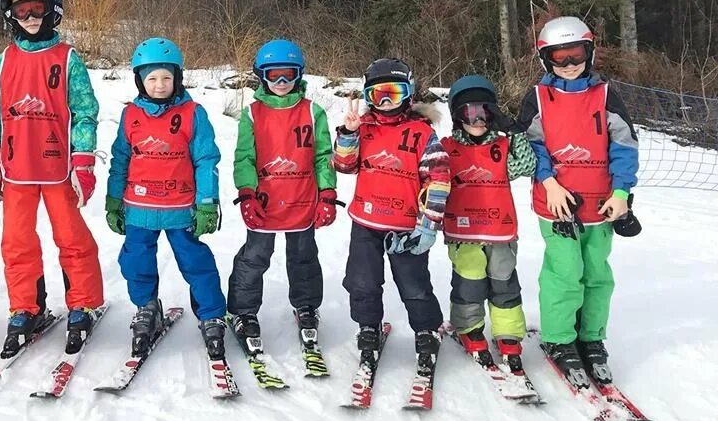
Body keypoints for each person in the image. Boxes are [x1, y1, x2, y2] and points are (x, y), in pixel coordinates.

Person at [0, 0, 104, 358]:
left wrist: (83, 164)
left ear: (53, 11)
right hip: (17, 171)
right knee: (16, 243)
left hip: (58, 172)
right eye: (22, 11)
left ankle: (82, 303)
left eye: (38, 8)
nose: (31, 17)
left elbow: (85, 112)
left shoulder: (68, 59)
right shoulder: (3, 62)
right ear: (10, 16)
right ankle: (26, 309)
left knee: (71, 239)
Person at [517, 16, 639, 384]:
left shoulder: (605, 95)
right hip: (558, 204)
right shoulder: (539, 97)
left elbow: (624, 145)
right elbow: (530, 145)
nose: (569, 65)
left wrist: (621, 191)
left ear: (590, 52)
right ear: (546, 59)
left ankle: (591, 336)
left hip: (600, 205)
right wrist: (548, 182)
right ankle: (559, 338)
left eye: (576, 55)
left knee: (597, 273)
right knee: (564, 272)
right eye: (560, 57)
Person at [104, 37, 229, 360]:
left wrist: (206, 202)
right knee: (136, 260)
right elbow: (121, 158)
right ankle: (146, 306)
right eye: (152, 78)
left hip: (180, 207)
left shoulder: (192, 113)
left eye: (166, 78)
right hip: (139, 208)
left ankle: (211, 313)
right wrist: (114, 200)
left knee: (196, 262)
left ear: (177, 78)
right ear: (140, 80)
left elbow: (206, 159)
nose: (160, 85)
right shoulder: (131, 115)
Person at [334, 58, 450, 369]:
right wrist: (348, 132)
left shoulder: (421, 133)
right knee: (361, 282)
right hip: (366, 223)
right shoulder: (365, 128)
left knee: (413, 283)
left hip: (406, 226)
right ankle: (368, 327)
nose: (385, 102)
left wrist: (428, 225)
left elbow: (438, 179)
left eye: (393, 94)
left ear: (409, 94)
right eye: (378, 95)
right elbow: (344, 165)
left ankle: (427, 328)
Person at [228, 39, 337, 346]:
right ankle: (243, 310)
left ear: (298, 75)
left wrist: (327, 193)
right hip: (265, 203)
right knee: (255, 257)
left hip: (302, 200)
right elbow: (244, 157)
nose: (281, 82)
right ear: (261, 76)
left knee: (303, 257)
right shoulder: (252, 114)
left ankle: (306, 306)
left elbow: (322, 155)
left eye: (288, 75)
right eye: (273, 75)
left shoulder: (313, 112)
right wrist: (247, 192)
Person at [441, 75, 537, 372]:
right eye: (469, 114)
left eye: (484, 112)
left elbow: (526, 166)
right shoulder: (446, 147)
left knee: (504, 283)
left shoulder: (501, 146)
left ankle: (508, 335)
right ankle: (468, 328)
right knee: (469, 282)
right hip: (464, 231)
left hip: (500, 231)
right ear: (457, 117)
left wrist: (514, 132)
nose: (478, 120)